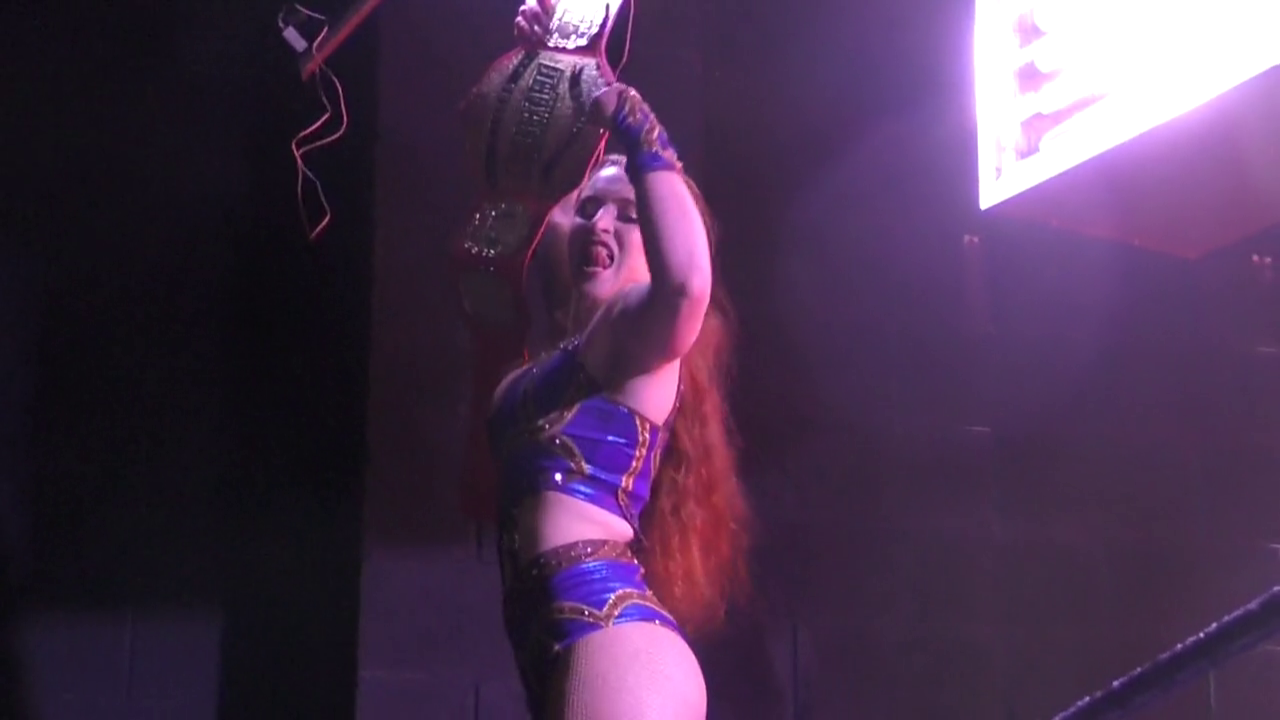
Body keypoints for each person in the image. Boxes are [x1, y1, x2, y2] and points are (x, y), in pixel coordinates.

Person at [485, 4, 751, 718]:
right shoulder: (554, 358)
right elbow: (536, 202)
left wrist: (633, 120)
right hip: (564, 647)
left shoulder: (636, 333)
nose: (601, 222)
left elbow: (686, 282)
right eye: (592, 208)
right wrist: (556, 65)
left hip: (611, 636)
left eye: (630, 215)